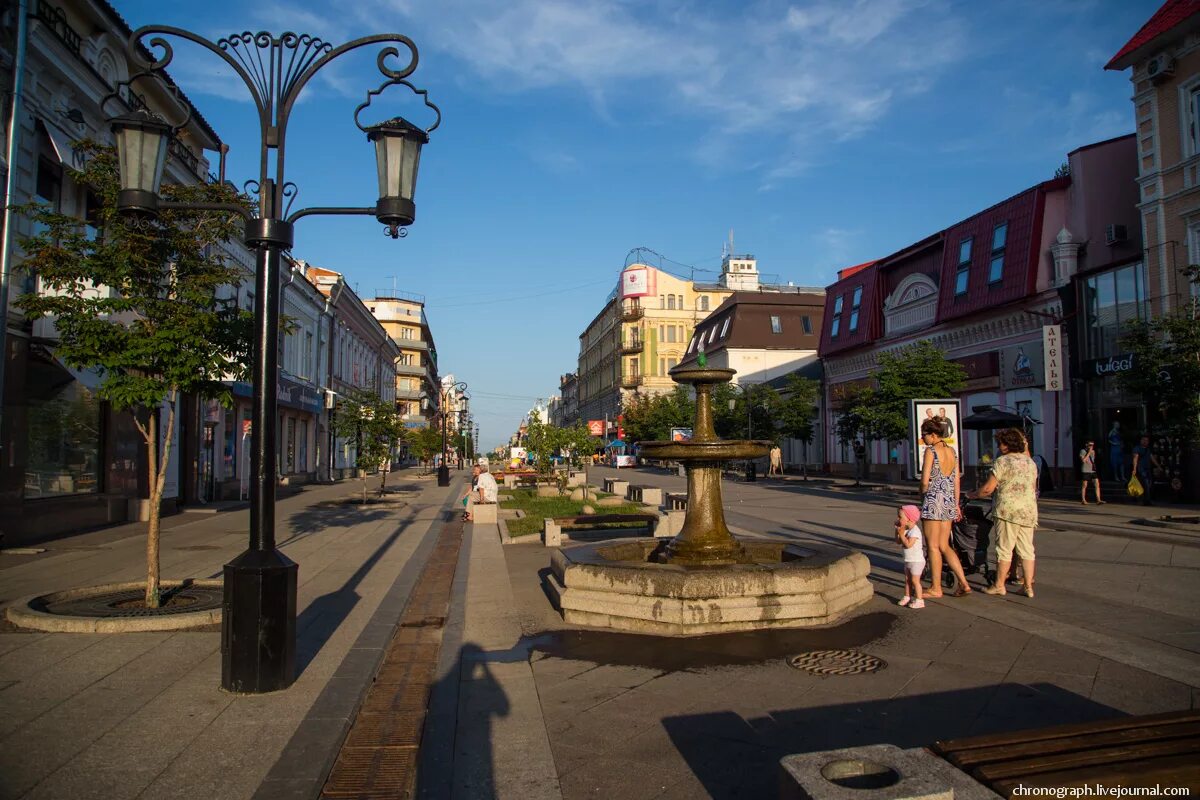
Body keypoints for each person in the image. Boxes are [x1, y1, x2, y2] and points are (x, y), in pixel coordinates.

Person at [968, 428, 1038, 598]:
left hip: (1007, 510)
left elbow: (988, 489)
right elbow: (1033, 487)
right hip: (1028, 510)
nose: (999, 447)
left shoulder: (1002, 462)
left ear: (1006, 445)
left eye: (1000, 443)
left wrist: (973, 494)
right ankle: (1028, 587)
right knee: (1027, 549)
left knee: (1004, 548)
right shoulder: (1030, 462)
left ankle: (999, 585)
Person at [919, 418, 970, 597]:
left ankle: (935, 587)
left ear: (933, 435)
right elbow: (956, 480)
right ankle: (964, 583)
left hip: (934, 500)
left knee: (932, 546)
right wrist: (956, 504)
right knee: (944, 545)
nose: (922, 438)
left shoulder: (930, 452)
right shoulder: (951, 451)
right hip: (948, 500)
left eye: (924, 435)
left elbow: (925, 481)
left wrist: (923, 493)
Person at [895, 504, 925, 609]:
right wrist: (898, 531)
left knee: (915, 581)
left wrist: (901, 533)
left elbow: (908, 544)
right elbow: (898, 541)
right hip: (908, 560)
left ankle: (919, 600)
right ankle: (907, 596)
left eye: (900, 517)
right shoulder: (906, 529)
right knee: (907, 579)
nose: (898, 519)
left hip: (917, 561)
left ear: (910, 519)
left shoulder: (915, 531)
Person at [1131, 434, 1159, 506]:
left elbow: (1152, 458)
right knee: (1146, 483)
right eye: (1144, 440)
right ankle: (1147, 500)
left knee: (1148, 484)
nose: (1145, 442)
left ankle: (1142, 498)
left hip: (1148, 469)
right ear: (1141, 441)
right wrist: (1134, 469)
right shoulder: (1137, 448)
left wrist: (1158, 466)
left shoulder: (1148, 449)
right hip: (1141, 469)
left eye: (1147, 440)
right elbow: (1135, 458)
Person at [1079, 440, 1103, 505]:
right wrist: (1089, 453)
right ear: (1086, 445)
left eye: (1092, 445)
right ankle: (1083, 500)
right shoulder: (1083, 451)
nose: (1091, 446)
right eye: (1090, 445)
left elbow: (1093, 460)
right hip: (1086, 470)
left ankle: (1098, 499)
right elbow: (1083, 460)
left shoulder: (1093, 451)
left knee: (1097, 484)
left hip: (1092, 470)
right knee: (1085, 485)